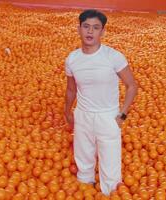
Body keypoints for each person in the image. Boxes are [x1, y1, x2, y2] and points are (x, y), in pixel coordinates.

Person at [64, 9, 138, 196]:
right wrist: (67, 111)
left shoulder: (113, 57)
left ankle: (110, 194)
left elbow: (131, 86)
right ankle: (85, 191)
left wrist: (122, 114)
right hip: (83, 115)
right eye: (86, 27)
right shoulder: (72, 59)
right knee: (83, 160)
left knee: (111, 165)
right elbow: (71, 89)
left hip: (108, 116)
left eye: (96, 28)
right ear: (79, 29)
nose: (90, 32)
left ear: (103, 32)